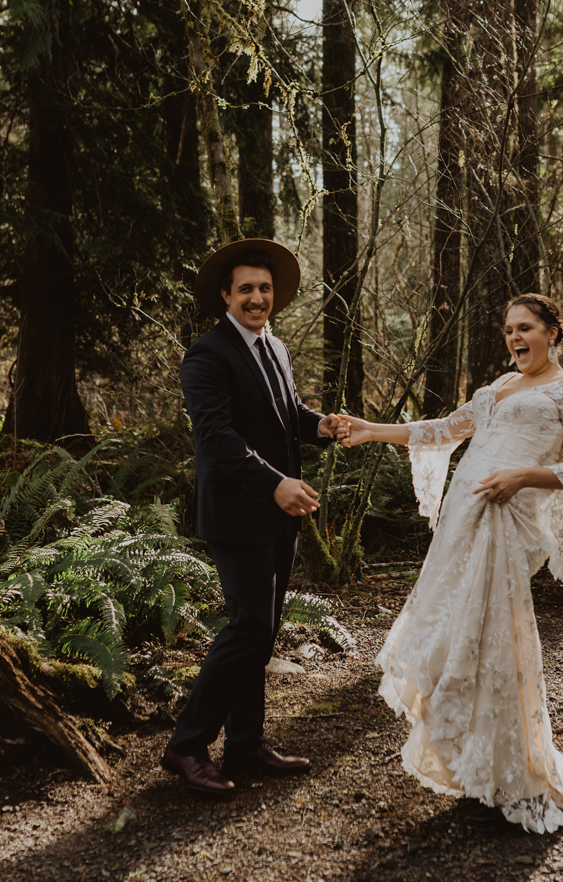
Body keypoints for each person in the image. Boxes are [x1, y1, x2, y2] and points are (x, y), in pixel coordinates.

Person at [337, 293, 563, 832]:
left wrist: (522, 477)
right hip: (464, 519)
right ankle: (470, 759)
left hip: (508, 519)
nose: (515, 338)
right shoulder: (500, 387)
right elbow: (444, 429)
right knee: (463, 631)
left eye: (526, 328)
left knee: (494, 634)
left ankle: (514, 765)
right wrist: (371, 429)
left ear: (552, 332)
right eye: (508, 329)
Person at [162, 239, 338, 795]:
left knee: (262, 632)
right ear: (225, 295)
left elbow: (284, 416)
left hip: (278, 513)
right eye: (246, 289)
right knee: (249, 629)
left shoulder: (275, 348)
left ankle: (244, 743)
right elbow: (217, 438)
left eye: (264, 289)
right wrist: (275, 484)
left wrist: (321, 426)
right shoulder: (206, 355)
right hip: (238, 514)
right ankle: (187, 746)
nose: (257, 298)